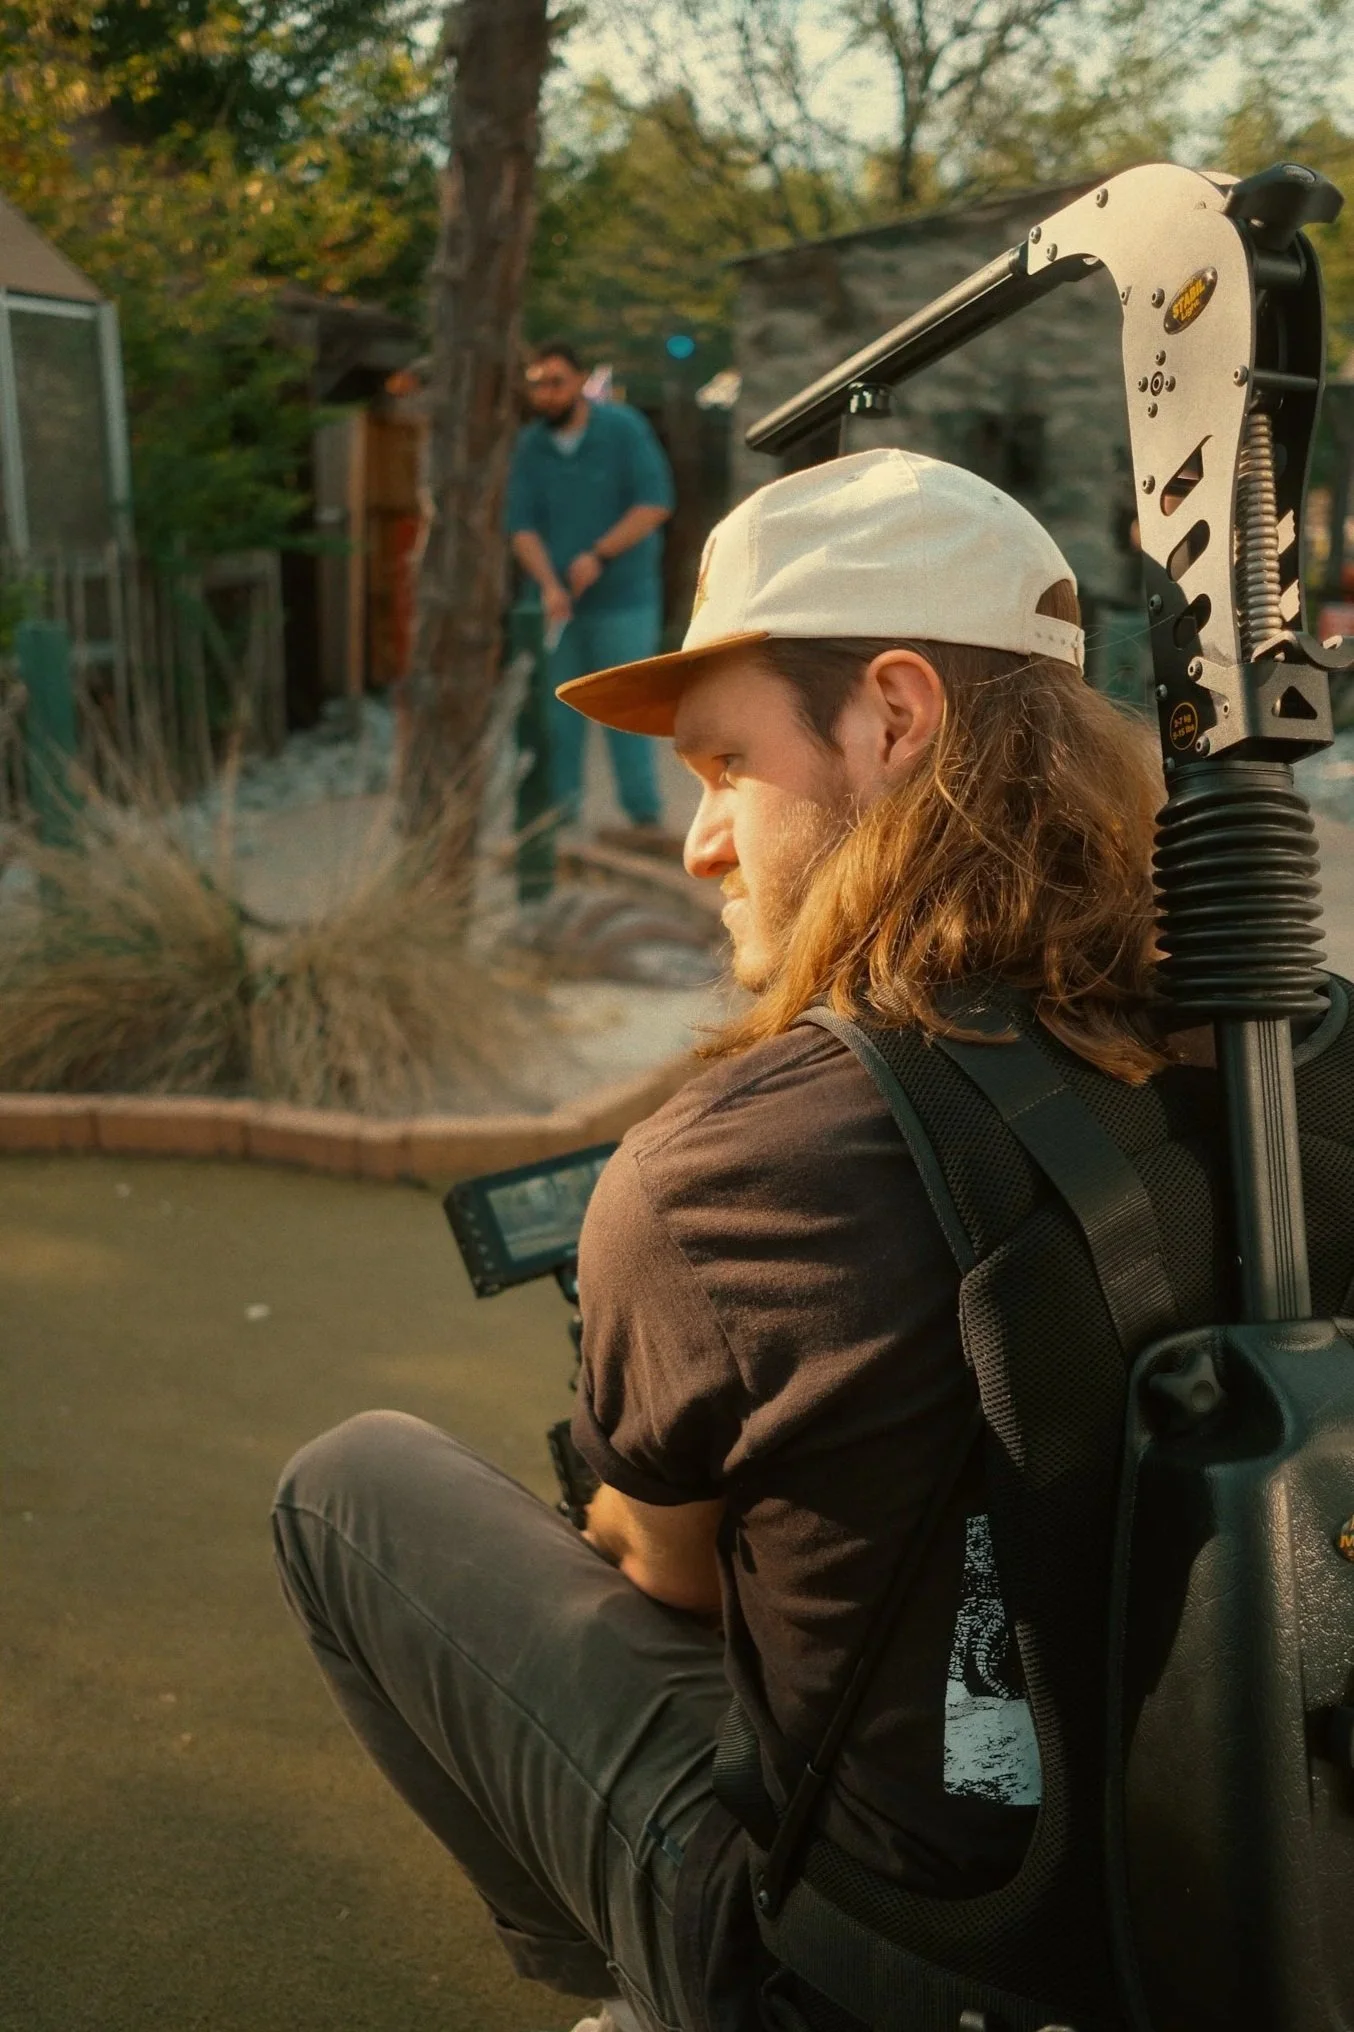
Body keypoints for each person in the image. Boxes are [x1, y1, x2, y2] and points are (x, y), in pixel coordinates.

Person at [271, 449, 1354, 2032]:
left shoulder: (735, 1168)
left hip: (882, 1973)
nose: (702, 842)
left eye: (723, 767)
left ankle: (635, 1992)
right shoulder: (1298, 1057)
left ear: (892, 716)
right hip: (1261, 1922)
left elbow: (664, 1574)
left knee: (346, 1484)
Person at [506, 339, 678, 854]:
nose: (546, 393)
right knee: (557, 716)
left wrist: (598, 555)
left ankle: (644, 822)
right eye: (537, 384)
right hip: (559, 605)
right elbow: (520, 527)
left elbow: (655, 504)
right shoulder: (530, 446)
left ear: (580, 381)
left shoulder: (623, 430)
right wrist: (550, 584)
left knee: (626, 709)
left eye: (556, 381)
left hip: (623, 598)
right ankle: (563, 830)